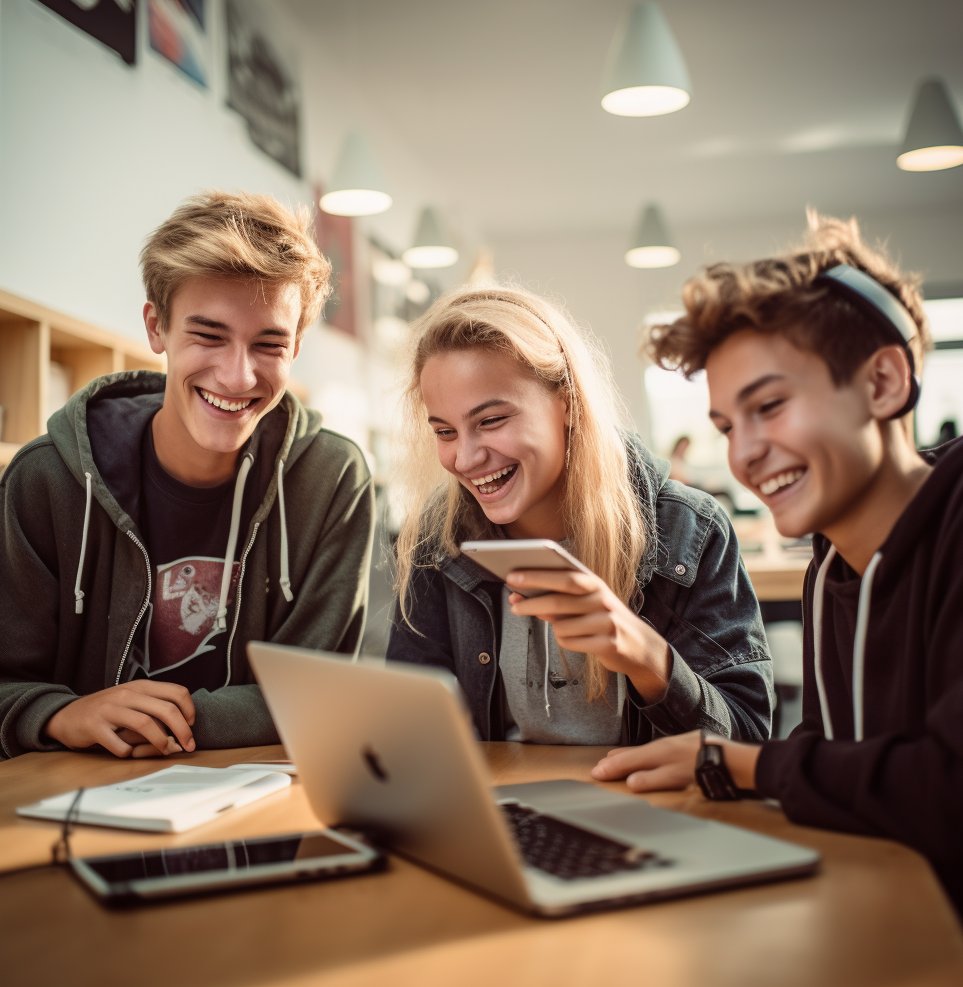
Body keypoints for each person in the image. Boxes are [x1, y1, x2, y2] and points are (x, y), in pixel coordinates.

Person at [593, 214, 963, 985]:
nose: (744, 452)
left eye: (770, 406)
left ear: (883, 383)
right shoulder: (834, 560)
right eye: (727, 425)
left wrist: (748, 765)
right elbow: (854, 782)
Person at [0, 191, 374, 761]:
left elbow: (322, 694)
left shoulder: (331, 479)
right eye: (208, 335)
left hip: (259, 799)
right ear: (157, 328)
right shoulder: (46, 479)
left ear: (296, 346)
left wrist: (167, 719)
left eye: (269, 343)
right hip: (81, 800)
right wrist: (62, 714)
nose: (236, 375)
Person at [386, 284, 771, 746]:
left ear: (566, 400)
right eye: (445, 431)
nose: (465, 459)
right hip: (499, 809)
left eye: (490, 421)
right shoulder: (439, 538)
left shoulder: (690, 529)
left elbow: (748, 745)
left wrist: (646, 656)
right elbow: (408, 733)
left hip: (645, 811)